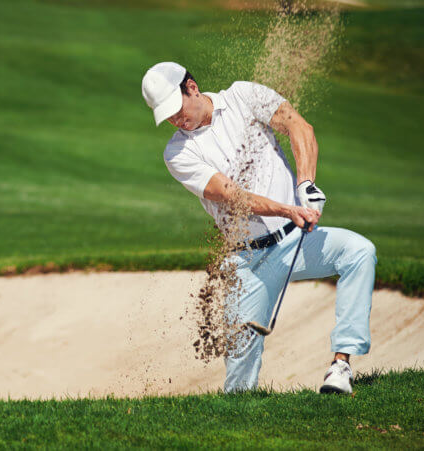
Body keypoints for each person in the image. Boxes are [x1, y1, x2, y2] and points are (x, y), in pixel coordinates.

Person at [141, 62, 376, 394]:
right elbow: (229, 194)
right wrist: (289, 209)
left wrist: (306, 184)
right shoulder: (177, 152)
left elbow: (299, 127)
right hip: (247, 263)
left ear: (191, 88)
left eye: (176, 108)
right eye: (166, 116)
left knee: (359, 252)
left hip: (296, 241)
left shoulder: (242, 96)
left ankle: (341, 366)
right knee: (238, 386)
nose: (175, 120)